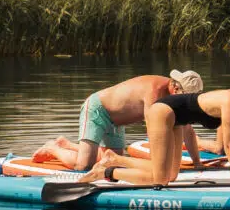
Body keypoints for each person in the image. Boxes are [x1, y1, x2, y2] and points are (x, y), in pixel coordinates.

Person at [96, 78, 230, 186]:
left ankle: (115, 159)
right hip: (163, 111)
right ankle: (108, 172)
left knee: (171, 176)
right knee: (160, 181)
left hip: (179, 119)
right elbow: (229, 145)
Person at [40, 70, 202, 171]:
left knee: (112, 162)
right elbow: (153, 131)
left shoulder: (175, 99)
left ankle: (66, 144)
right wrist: (157, 167)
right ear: (176, 88)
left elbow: (188, 130)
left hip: (117, 122)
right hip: (98, 110)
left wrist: (197, 163)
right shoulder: (155, 91)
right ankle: (53, 148)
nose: (186, 102)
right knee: (83, 166)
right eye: (186, 97)